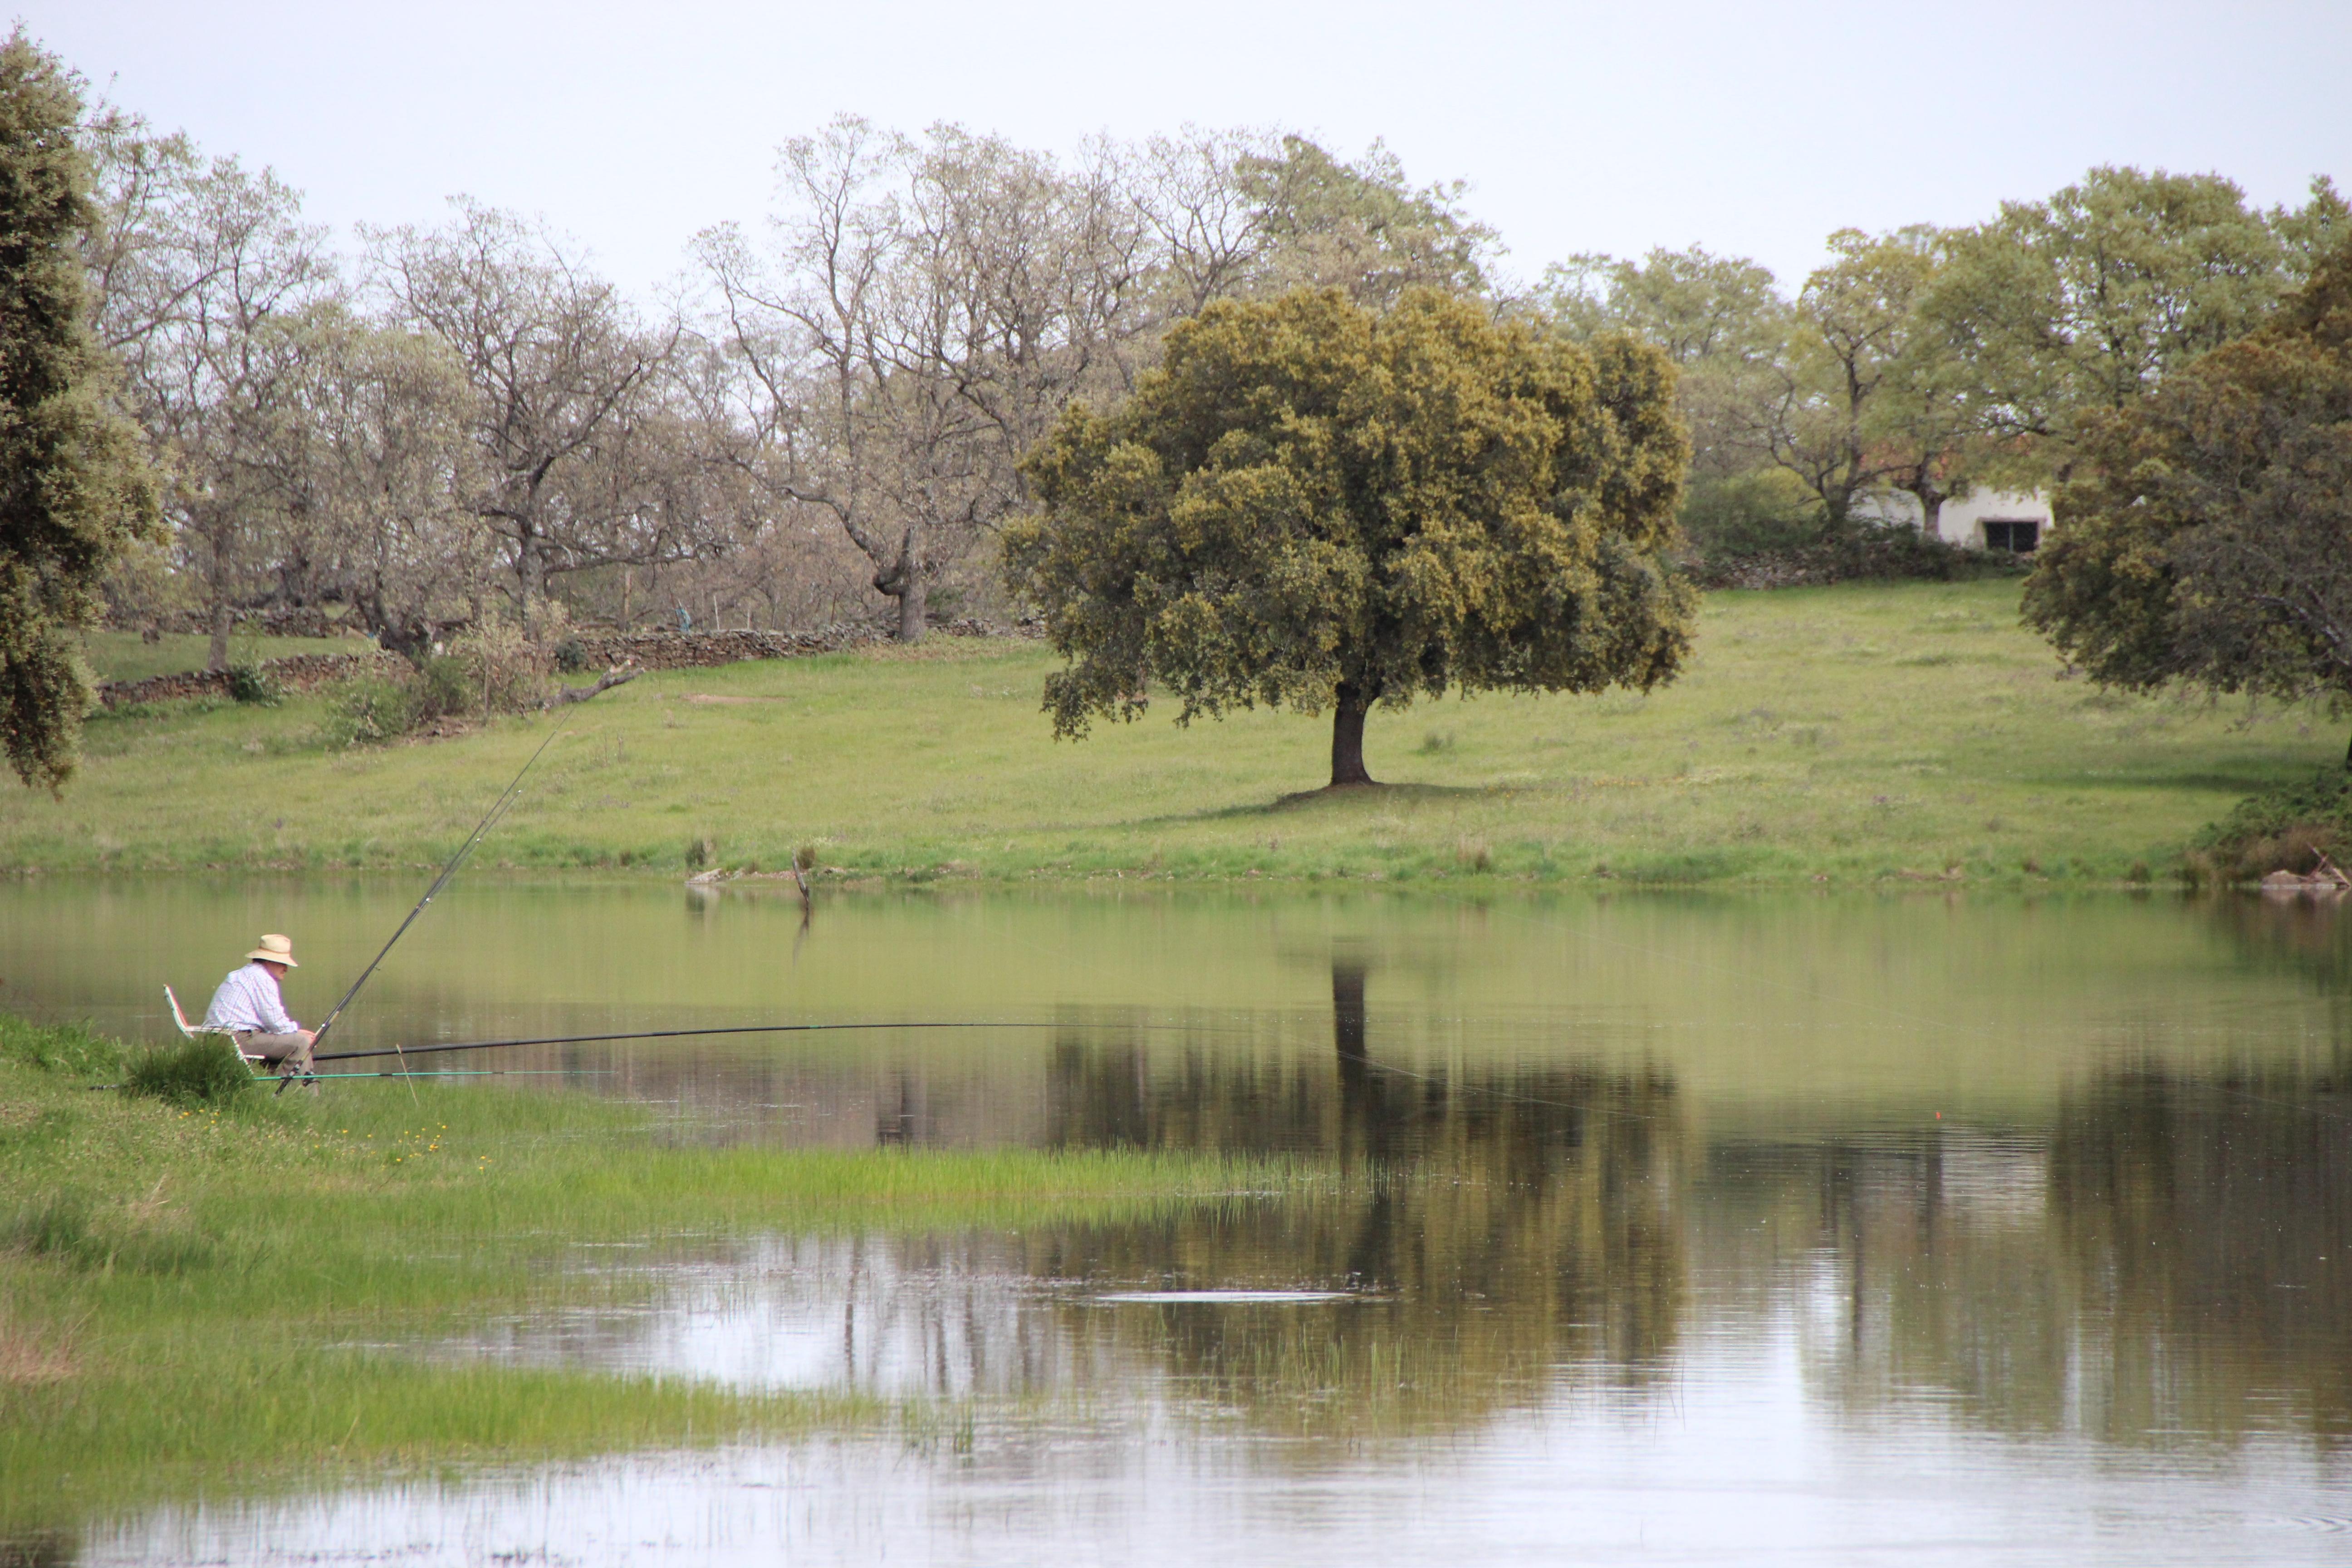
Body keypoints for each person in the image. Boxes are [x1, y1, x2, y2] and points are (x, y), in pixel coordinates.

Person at [202, 934, 317, 1074]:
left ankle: (275, 1089)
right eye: (283, 963)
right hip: (236, 1039)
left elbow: (271, 1025)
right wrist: (297, 1032)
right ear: (269, 961)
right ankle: (296, 1093)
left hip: (217, 1038)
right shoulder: (263, 979)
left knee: (293, 1041)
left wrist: (293, 1031)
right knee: (301, 1043)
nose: (286, 969)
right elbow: (276, 1023)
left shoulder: (241, 974)